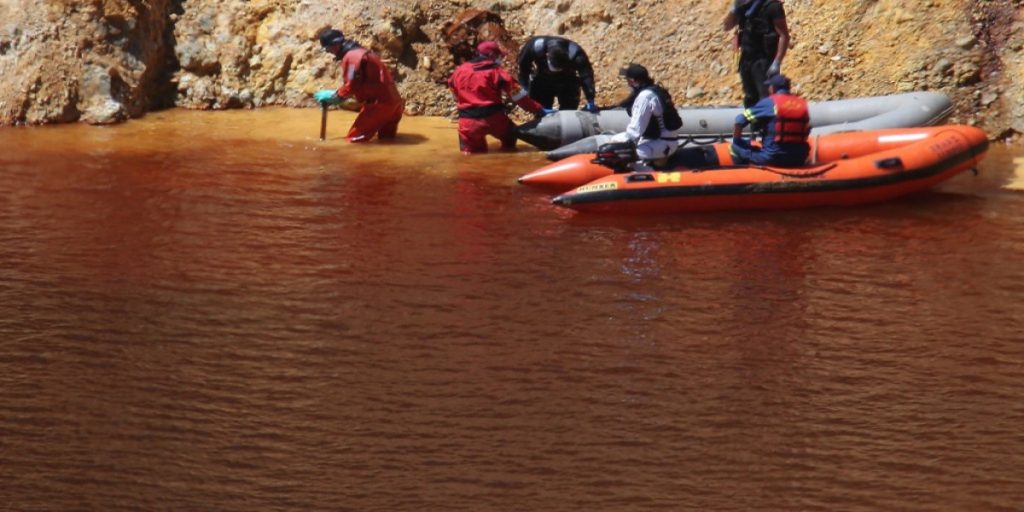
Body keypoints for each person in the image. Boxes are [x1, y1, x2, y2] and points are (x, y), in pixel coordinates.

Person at [447, 41, 553, 155]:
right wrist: (538, 110)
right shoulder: (496, 71)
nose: (500, 59)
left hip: (468, 122)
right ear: (492, 55)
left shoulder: (459, 71)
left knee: (470, 155)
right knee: (510, 138)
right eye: (499, 56)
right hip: (495, 119)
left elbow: (455, 95)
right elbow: (518, 96)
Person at [314, 29, 404, 142]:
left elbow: (351, 84)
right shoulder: (362, 52)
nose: (328, 52)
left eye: (327, 48)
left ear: (335, 45)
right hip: (395, 103)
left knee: (354, 140)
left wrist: (335, 96)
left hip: (380, 105)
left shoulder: (352, 57)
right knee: (386, 141)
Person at [612, 64, 683, 169]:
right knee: (615, 140)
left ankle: (648, 174)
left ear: (632, 81)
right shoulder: (656, 90)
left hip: (661, 144)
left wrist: (619, 147)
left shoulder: (644, 97)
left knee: (621, 152)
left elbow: (635, 130)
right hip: (664, 141)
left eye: (627, 80)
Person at [730, 74, 810, 167]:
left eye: (769, 86)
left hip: (774, 158)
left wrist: (737, 141)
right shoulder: (802, 104)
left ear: (773, 88)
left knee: (734, 147)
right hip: (799, 158)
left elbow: (739, 120)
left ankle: (744, 174)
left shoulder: (770, 102)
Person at [723, 0, 790, 108]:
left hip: (764, 60)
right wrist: (733, 10)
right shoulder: (743, 6)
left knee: (765, 97)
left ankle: (766, 124)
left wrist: (777, 61)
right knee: (750, 97)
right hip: (746, 59)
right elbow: (727, 26)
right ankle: (753, 123)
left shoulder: (772, 6)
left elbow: (784, 35)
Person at [516, 36, 598, 112]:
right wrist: (525, 88)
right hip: (543, 81)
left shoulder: (576, 54)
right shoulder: (535, 47)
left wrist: (590, 99)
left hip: (567, 80)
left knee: (569, 108)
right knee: (541, 107)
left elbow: (586, 75)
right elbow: (523, 67)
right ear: (547, 55)